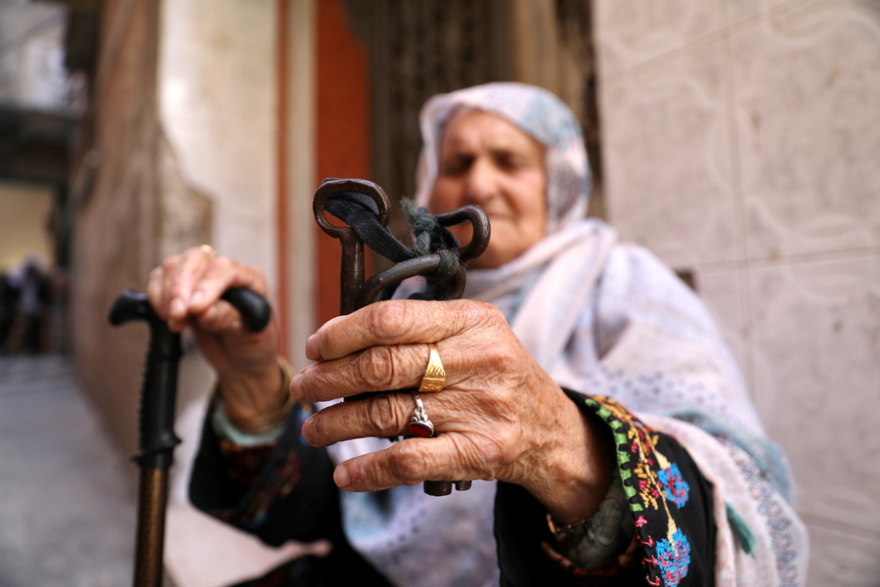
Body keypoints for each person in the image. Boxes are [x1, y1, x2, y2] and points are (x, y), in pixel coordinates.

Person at [148, 83, 808, 586]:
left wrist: (558, 443)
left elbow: (733, 482)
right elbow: (320, 498)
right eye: (458, 160)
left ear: (557, 185)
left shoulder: (623, 285)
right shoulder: (400, 302)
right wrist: (250, 376)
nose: (480, 181)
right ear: (430, 184)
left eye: (509, 160)